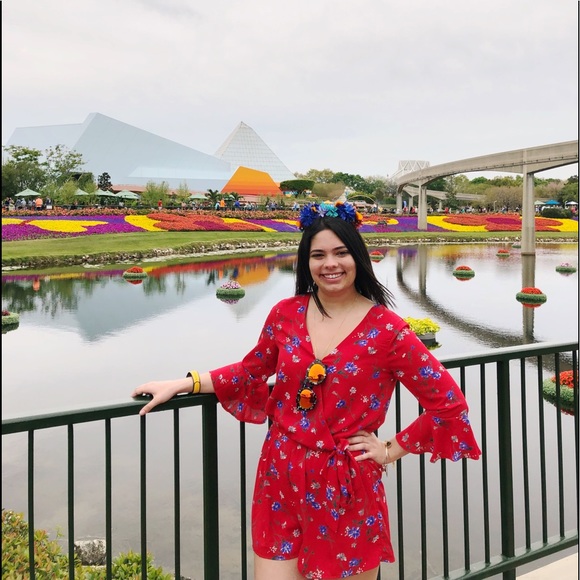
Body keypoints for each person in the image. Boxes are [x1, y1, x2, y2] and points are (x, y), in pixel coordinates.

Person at [132, 200, 481, 580]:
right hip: (280, 475)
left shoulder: (388, 330)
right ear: (306, 262)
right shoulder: (286, 314)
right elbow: (250, 371)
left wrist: (388, 450)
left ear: (358, 257)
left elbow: (449, 404)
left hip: (345, 485)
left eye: (340, 253)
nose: (330, 264)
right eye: (318, 255)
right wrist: (185, 383)